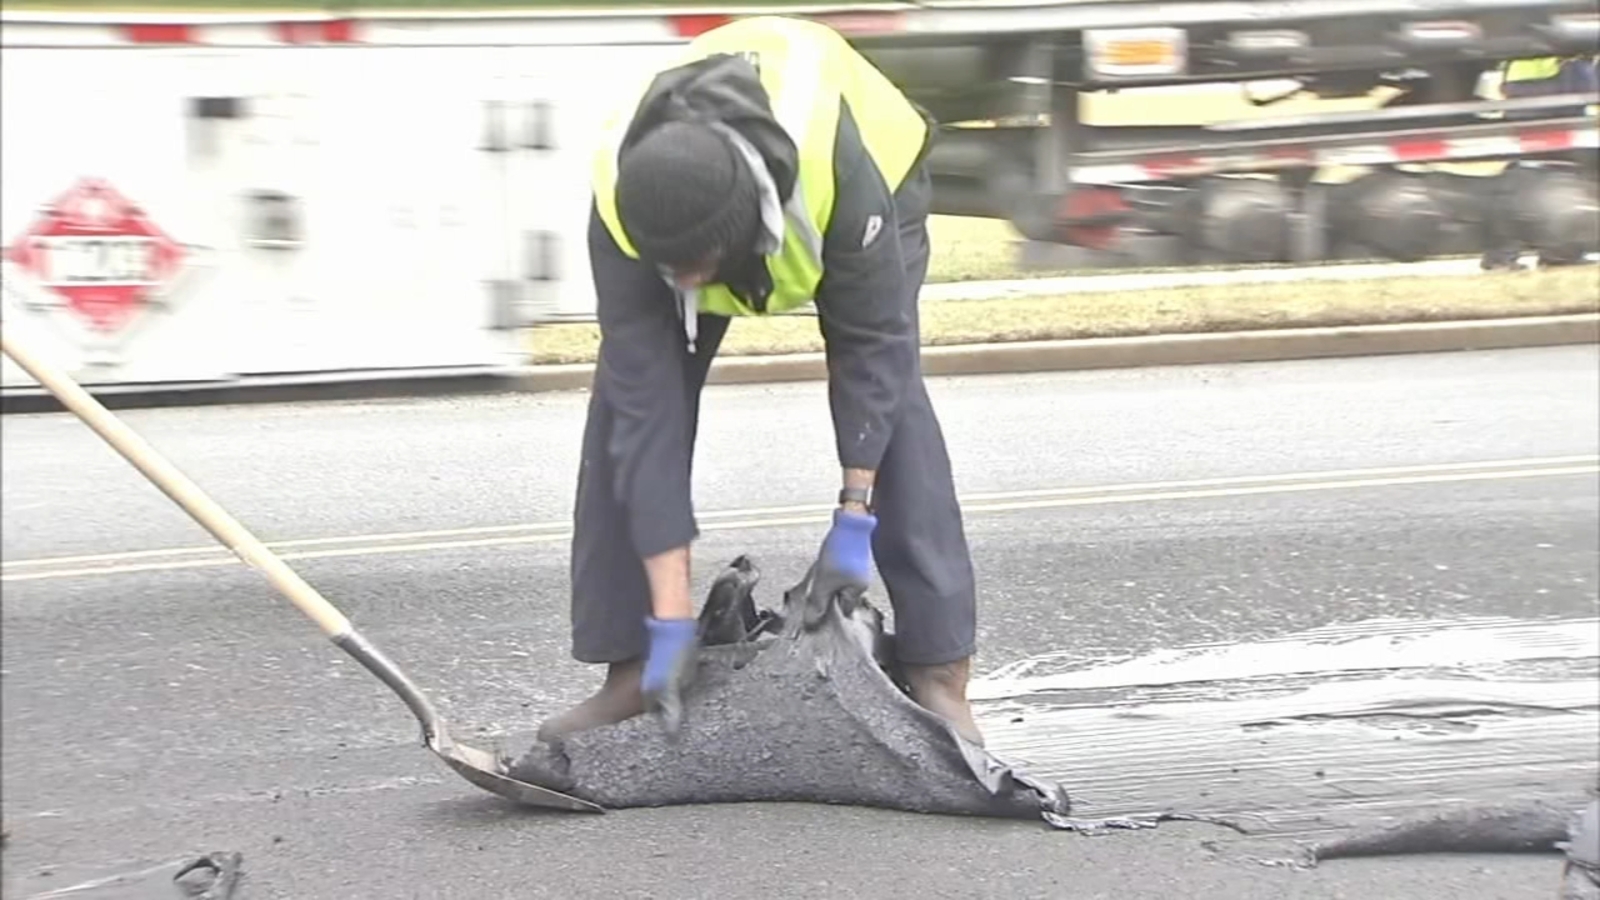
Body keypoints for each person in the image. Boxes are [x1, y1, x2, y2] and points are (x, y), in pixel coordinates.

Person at [535, 16, 986, 747]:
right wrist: (670, 611)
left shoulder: (834, 165)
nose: (683, 284)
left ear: (745, 226)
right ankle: (633, 670)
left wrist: (854, 516)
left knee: (892, 400)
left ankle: (941, 671)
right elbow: (646, 414)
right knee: (620, 412)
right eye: (670, 270)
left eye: (695, 268)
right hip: (696, 203)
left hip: (877, 175)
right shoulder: (623, 203)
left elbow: (870, 346)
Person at [1481, 54, 1599, 270]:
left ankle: (1558, 253)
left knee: (1561, 176)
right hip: (1543, 89)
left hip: (1551, 88)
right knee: (1530, 176)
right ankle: (1505, 256)